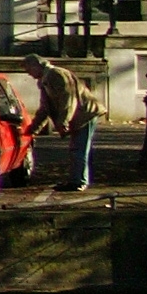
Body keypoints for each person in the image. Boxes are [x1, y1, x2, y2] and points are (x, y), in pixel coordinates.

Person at [22, 51, 99, 194]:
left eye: (28, 69)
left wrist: (63, 122)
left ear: (36, 65)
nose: (28, 74)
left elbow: (68, 100)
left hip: (85, 114)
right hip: (77, 115)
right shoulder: (44, 80)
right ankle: (76, 180)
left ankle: (79, 182)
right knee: (75, 150)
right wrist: (33, 128)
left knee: (79, 150)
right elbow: (45, 108)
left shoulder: (56, 74)